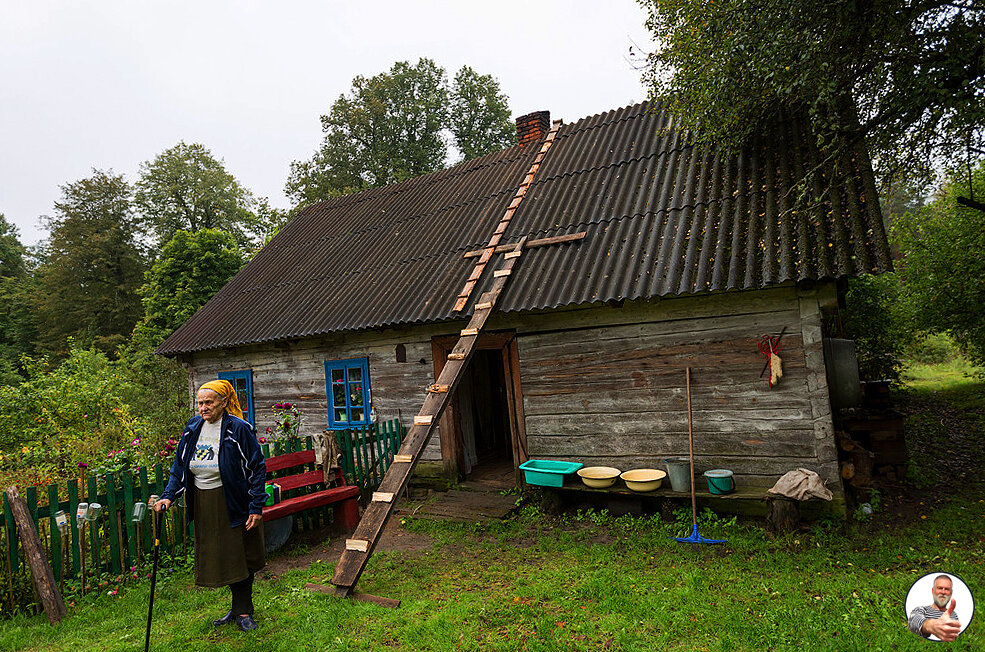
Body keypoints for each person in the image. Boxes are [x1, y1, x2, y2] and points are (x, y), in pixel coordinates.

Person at [154, 380, 267, 632]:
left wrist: (256, 506)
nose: (203, 408)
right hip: (205, 501)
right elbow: (179, 465)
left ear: (224, 403)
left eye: (209, 402)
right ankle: (237, 607)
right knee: (222, 556)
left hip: (234, 500)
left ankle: (244, 610)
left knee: (240, 554)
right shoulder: (193, 427)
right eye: (200, 403)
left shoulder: (239, 429)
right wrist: (168, 496)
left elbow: (257, 468)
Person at [907, 574, 961, 641]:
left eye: (947, 589)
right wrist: (931, 626)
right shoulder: (921, 610)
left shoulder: (954, 615)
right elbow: (912, 621)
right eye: (940, 588)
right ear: (933, 591)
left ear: (951, 593)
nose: (943, 592)